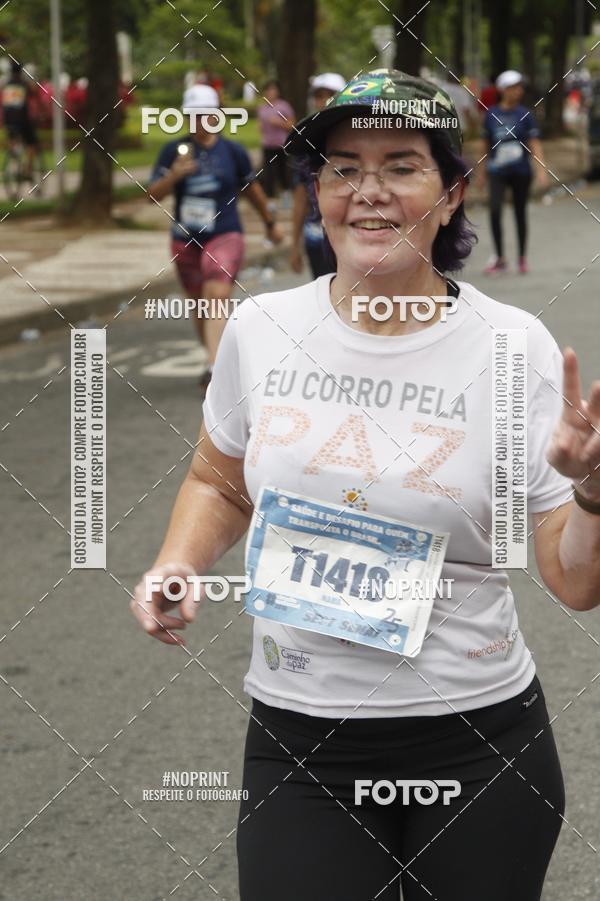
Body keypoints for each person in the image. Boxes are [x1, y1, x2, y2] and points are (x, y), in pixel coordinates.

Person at [131, 68, 600, 900]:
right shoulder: (262, 327)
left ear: (452, 194)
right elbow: (219, 481)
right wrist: (179, 558)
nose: (368, 190)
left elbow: (574, 579)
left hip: (477, 744)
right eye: (343, 168)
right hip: (300, 744)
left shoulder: (511, 345)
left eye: (401, 165)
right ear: (317, 192)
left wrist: (592, 491)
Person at [148, 84, 283, 394]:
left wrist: (270, 223)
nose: (199, 121)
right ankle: (216, 358)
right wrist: (174, 176)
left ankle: (214, 369)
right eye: (192, 115)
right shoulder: (174, 151)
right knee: (198, 303)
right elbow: (151, 195)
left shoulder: (232, 151)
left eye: (205, 114)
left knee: (216, 295)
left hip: (225, 233)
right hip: (185, 238)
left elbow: (252, 191)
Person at [477, 69, 548, 275]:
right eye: (514, 87)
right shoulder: (491, 114)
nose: (519, 91)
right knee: (495, 211)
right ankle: (499, 258)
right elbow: (484, 146)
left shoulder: (525, 114)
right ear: (503, 90)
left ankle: (522, 258)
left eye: (520, 87)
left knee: (520, 213)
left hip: (521, 171)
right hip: (497, 171)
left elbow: (535, 144)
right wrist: (481, 173)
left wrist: (541, 170)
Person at [289, 72, 346, 277]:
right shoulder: (305, 145)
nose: (324, 101)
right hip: (316, 237)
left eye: (330, 95)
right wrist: (294, 245)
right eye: (319, 96)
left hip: (350, 234)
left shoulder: (357, 140)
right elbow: (300, 199)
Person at [256, 79, 295, 200]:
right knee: (268, 173)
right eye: (268, 89)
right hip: (267, 145)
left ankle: (286, 197)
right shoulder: (262, 108)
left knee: (283, 172)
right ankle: (270, 199)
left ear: (278, 91)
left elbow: (292, 125)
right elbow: (260, 125)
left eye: (273, 89)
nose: (270, 92)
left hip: (281, 145)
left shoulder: (284, 106)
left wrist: (279, 123)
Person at [1, 60, 39, 180]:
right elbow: (35, 92)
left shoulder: (6, 84)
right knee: (32, 144)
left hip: (8, 121)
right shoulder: (24, 84)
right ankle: (27, 170)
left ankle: (14, 160)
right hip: (23, 121)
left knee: (12, 140)